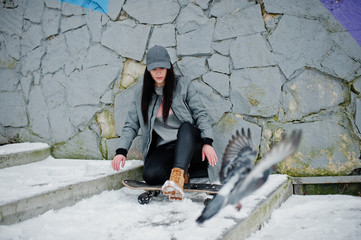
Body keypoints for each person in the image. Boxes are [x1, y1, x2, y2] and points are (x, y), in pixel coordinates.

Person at [111, 45, 218, 202]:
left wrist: (207, 142)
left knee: (186, 127)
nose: (159, 72)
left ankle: (177, 177)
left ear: (168, 67)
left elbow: (200, 114)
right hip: (167, 148)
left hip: (190, 144)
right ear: (148, 70)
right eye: (154, 69)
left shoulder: (183, 85)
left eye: (162, 67)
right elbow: (131, 124)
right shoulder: (141, 94)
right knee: (150, 175)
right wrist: (121, 151)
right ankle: (183, 175)